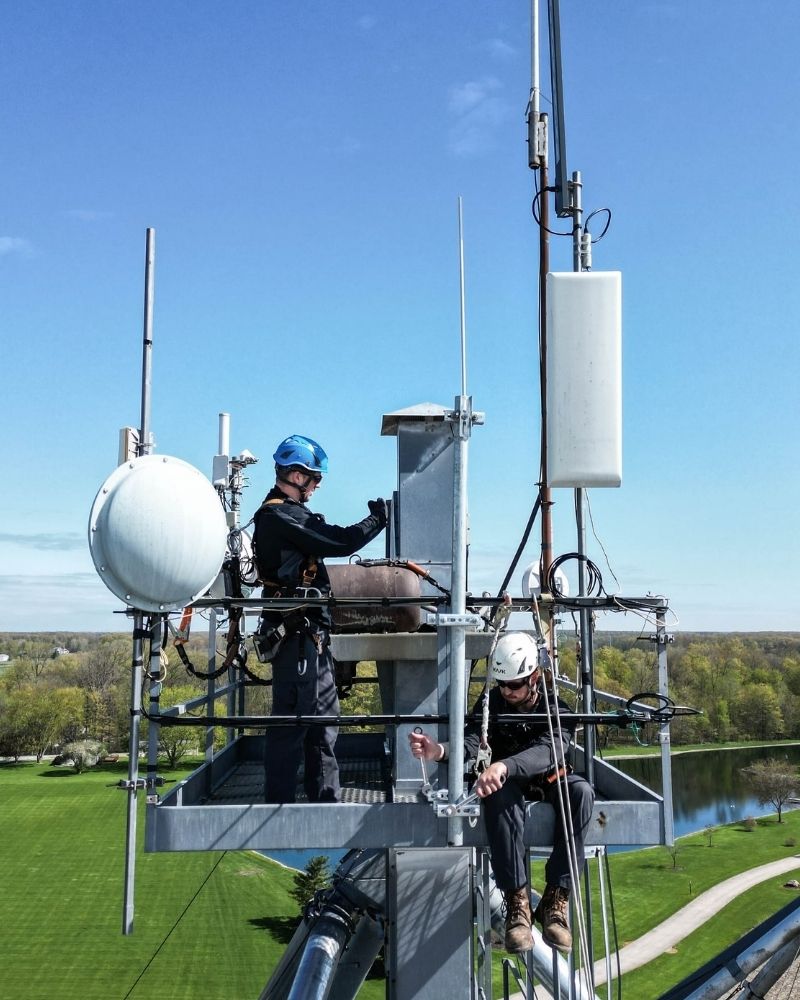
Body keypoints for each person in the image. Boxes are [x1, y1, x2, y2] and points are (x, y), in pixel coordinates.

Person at [409, 631, 594, 954]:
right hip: (506, 786)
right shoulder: (490, 704)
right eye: (502, 684)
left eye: (515, 685)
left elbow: (548, 750)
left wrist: (504, 765)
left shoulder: (556, 709)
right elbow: (472, 741)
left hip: (546, 778)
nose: (507, 691)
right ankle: (517, 905)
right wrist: (439, 751)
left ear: (535, 678)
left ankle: (556, 901)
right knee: (499, 796)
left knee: (580, 792)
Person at [253, 434, 388, 804]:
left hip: (310, 637)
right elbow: (339, 541)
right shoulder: (280, 516)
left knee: (323, 724)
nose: (318, 484)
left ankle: (324, 800)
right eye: (315, 476)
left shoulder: (289, 515)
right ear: (296, 475)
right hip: (298, 637)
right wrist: (377, 521)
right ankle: (280, 805)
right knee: (293, 725)